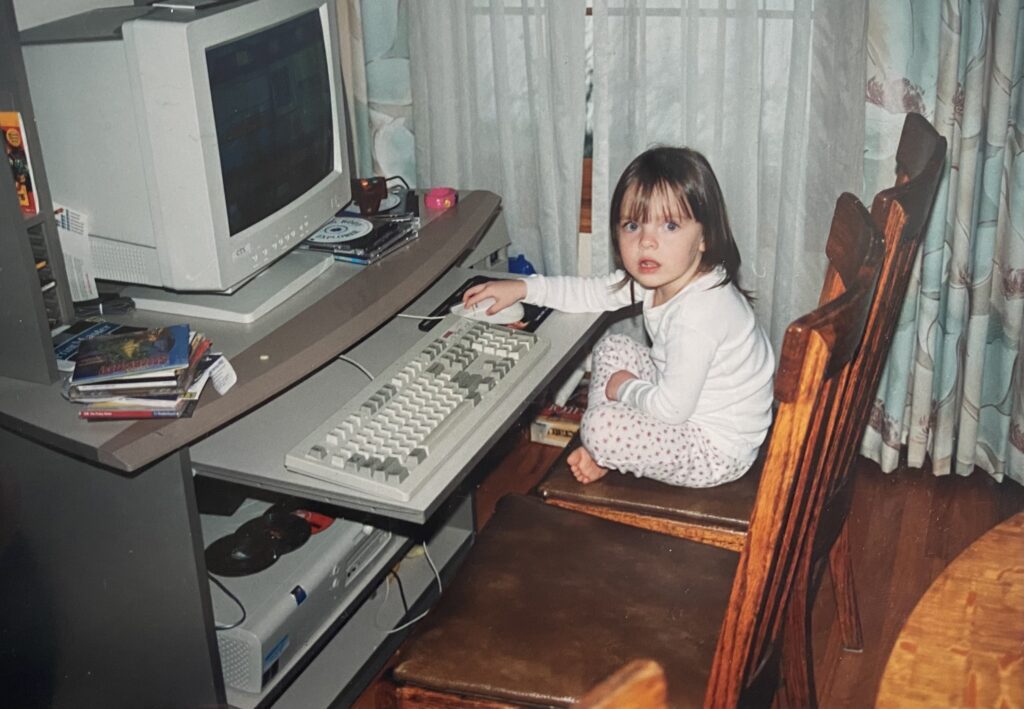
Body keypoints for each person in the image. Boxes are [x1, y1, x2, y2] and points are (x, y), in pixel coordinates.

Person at [463, 146, 774, 487]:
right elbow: (591, 292)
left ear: (705, 237)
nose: (646, 242)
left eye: (670, 225)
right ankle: (606, 451)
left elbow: (672, 410)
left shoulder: (699, 314)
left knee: (600, 428)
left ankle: (602, 446)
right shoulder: (668, 277)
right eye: (632, 225)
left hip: (716, 450)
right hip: (687, 402)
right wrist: (523, 288)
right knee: (612, 347)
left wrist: (624, 388)